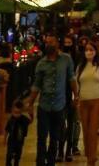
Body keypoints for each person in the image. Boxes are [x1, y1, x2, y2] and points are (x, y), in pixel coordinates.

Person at [28, 32, 79, 166]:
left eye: (51, 42)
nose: (49, 44)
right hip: (44, 106)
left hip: (59, 105)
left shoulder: (66, 60)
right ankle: (40, 162)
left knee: (55, 138)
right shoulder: (41, 64)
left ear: (57, 43)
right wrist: (30, 105)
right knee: (41, 138)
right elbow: (36, 85)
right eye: (47, 42)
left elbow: (71, 78)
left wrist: (76, 96)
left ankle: (51, 162)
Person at [75, 40, 99, 166]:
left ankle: (92, 158)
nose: (89, 52)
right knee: (85, 129)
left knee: (93, 129)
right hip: (83, 101)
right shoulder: (80, 67)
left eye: (91, 50)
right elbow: (76, 84)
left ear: (95, 52)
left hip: (96, 100)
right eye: (87, 50)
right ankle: (89, 153)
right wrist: (76, 99)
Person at [6, 97, 32, 166]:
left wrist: (31, 114)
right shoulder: (11, 119)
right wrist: (4, 139)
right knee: (9, 154)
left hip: (20, 141)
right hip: (11, 140)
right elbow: (7, 129)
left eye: (18, 113)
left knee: (18, 154)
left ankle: (16, 163)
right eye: (15, 112)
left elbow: (30, 121)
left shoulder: (23, 119)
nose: (16, 115)